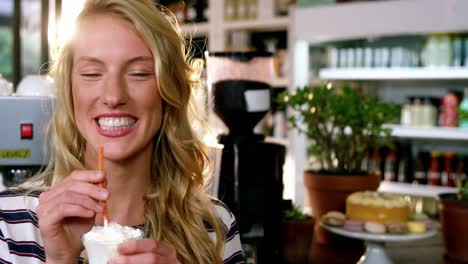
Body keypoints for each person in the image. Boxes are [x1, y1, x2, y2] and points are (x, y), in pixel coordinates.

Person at [0, 0, 243, 263]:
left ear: (168, 93)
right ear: (70, 92)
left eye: (139, 73)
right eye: (92, 74)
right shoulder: (9, 223)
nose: (114, 96)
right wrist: (60, 260)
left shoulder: (213, 226)